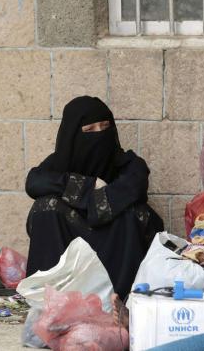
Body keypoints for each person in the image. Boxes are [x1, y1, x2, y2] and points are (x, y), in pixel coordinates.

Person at [24, 96, 164, 299]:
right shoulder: (59, 162)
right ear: (72, 135)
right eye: (90, 130)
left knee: (132, 212)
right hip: (70, 242)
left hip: (115, 242)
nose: (99, 134)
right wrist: (89, 185)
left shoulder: (129, 164)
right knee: (45, 207)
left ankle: (121, 301)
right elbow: (34, 182)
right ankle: (50, 298)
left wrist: (94, 203)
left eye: (105, 127)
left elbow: (132, 188)